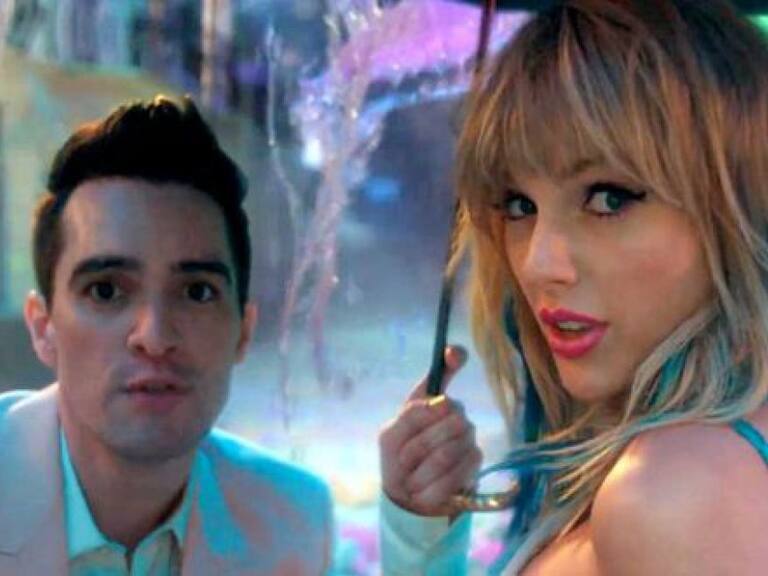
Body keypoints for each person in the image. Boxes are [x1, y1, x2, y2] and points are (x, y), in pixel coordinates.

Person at [379, 0, 768, 574]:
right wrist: (421, 537)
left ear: (738, 201)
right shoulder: (702, 462)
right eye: (519, 205)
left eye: (608, 198)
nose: (538, 264)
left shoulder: (670, 495)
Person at [1, 95, 333, 574]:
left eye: (196, 292)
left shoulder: (295, 521)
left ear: (243, 332)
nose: (154, 337)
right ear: (42, 327)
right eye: (106, 290)